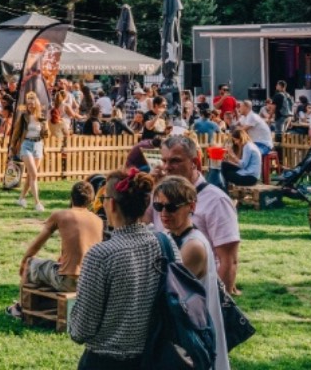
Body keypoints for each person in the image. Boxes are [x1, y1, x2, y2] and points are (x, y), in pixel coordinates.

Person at [68, 168, 163, 370]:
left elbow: (81, 329)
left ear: (110, 204)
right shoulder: (164, 245)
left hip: (104, 360)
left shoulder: (101, 255)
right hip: (152, 357)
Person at [153, 175, 230, 370]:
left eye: (171, 207)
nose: (164, 213)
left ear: (192, 207)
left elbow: (165, 289)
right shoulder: (173, 236)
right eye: (158, 207)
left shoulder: (193, 246)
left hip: (194, 332)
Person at [155, 134, 242, 294]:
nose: (167, 167)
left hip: (202, 296)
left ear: (194, 163)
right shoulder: (161, 198)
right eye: (164, 161)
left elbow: (229, 261)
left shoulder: (216, 200)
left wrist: (219, 308)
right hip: (170, 293)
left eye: (175, 161)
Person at [5, 180, 102, 318]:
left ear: (71, 197)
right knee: (54, 266)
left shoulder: (61, 215)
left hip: (68, 280)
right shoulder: (98, 221)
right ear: (91, 200)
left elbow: (37, 244)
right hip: (90, 282)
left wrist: (24, 261)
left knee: (31, 264)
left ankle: (20, 308)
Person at [8, 92, 47, 212]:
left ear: (37, 104)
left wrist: (45, 128)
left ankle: (21, 199)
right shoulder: (24, 117)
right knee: (34, 174)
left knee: (31, 175)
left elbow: (46, 135)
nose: (30, 106)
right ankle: (37, 203)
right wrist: (12, 147)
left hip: (38, 145)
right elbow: (16, 133)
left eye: (32, 104)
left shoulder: (42, 117)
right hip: (26, 145)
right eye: (28, 104)